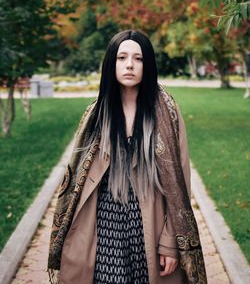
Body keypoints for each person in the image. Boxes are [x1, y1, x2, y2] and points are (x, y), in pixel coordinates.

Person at [48, 30, 207, 284]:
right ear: (111, 63)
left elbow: (180, 182)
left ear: (148, 65)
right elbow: (76, 181)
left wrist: (169, 243)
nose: (130, 65)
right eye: (121, 58)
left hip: (150, 224)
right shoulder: (96, 113)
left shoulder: (167, 112)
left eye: (138, 58)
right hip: (105, 224)